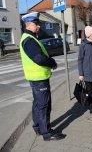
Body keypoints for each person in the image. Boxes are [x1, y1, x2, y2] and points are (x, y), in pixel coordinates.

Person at [20, 12, 66, 141]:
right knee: (44, 105)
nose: (39, 26)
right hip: (39, 79)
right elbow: (39, 59)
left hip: (35, 78)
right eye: (36, 24)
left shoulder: (29, 38)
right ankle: (47, 133)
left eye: (38, 23)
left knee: (37, 104)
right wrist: (52, 62)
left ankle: (38, 127)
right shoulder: (29, 40)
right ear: (28, 25)